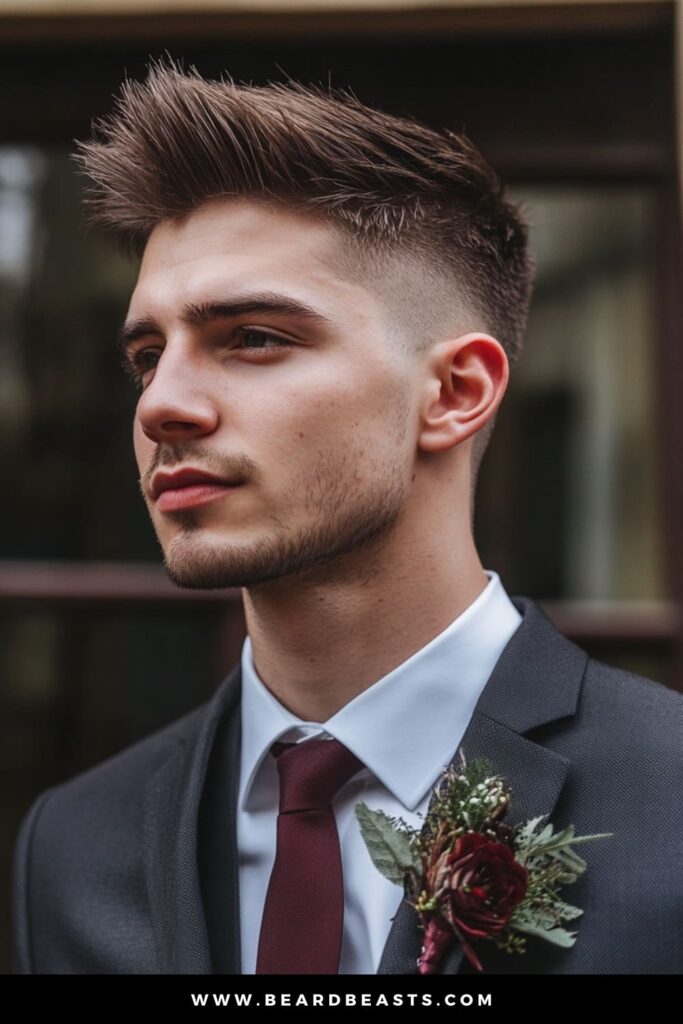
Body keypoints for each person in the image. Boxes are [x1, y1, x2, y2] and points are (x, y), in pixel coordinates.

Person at [11, 57, 682, 976]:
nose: (160, 405)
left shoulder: (668, 795)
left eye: (253, 338)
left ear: (455, 391)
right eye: (147, 355)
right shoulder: (72, 845)